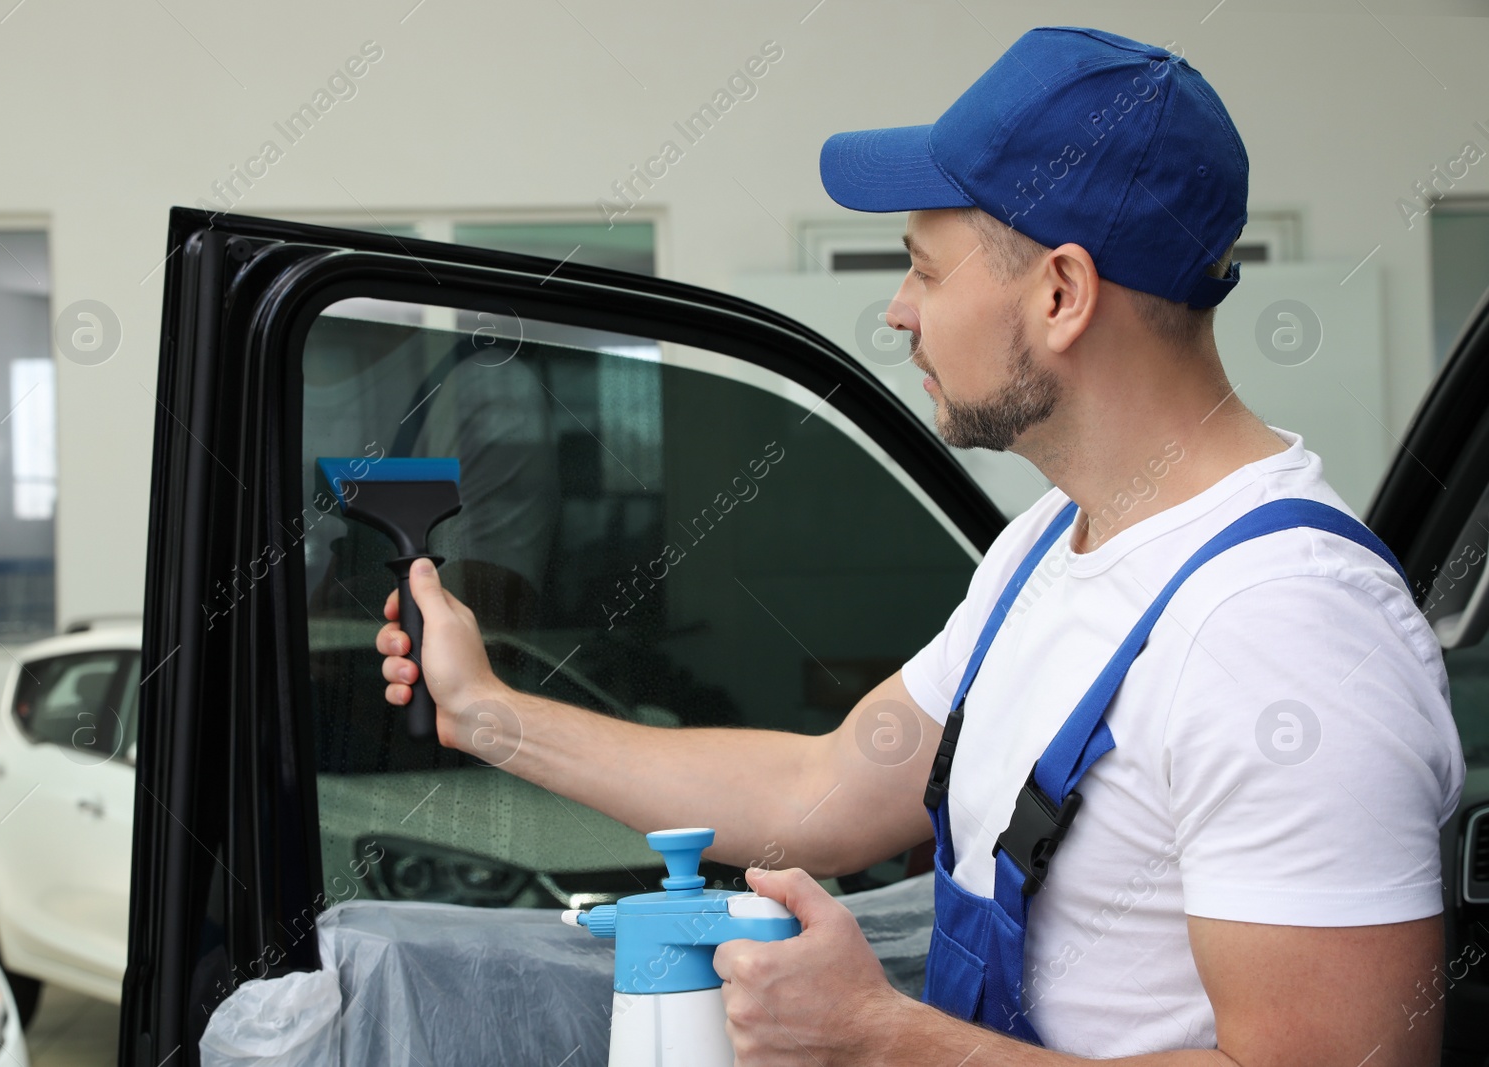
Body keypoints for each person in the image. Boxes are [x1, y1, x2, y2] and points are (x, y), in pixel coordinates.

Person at [375, 25, 1465, 1066]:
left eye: (926, 270)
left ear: (1060, 292)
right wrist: (488, 713)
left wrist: (880, 1035)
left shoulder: (1282, 626)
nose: (897, 311)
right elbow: (827, 789)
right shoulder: (1049, 545)